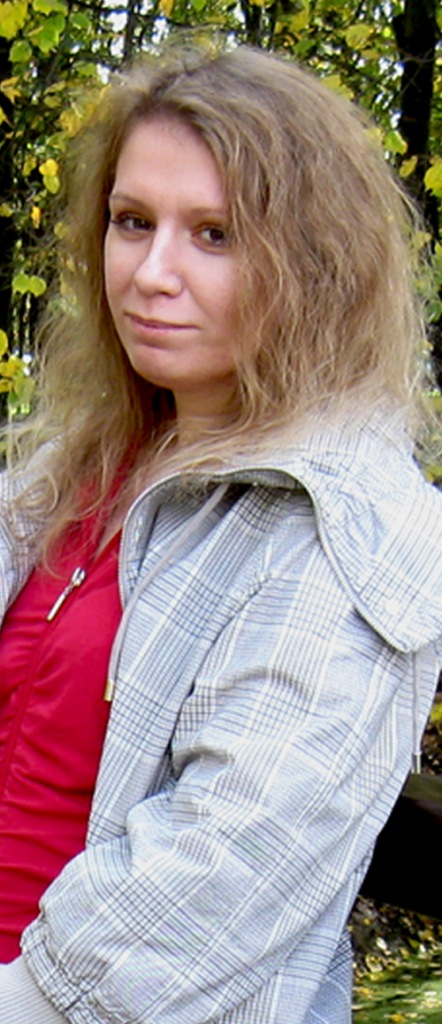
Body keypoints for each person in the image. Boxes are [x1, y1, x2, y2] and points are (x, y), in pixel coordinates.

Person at [0, 45, 441, 1024]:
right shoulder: (79, 465)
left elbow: (219, 874)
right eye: (132, 222)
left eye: (214, 234)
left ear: (314, 261)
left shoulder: (350, 525)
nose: (151, 274)